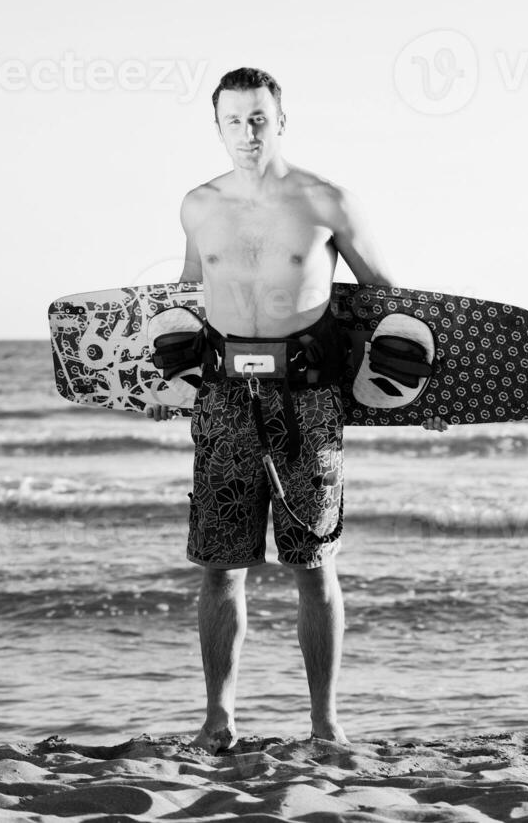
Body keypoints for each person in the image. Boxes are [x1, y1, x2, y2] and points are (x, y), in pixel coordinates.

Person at [146, 67, 447, 752]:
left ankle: (325, 723)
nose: (247, 133)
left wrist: (422, 394)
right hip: (224, 398)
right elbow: (189, 302)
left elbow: (387, 305)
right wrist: (168, 387)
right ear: (216, 127)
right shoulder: (197, 205)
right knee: (220, 566)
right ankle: (218, 718)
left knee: (314, 566)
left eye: (258, 119)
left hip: (308, 399)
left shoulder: (328, 201)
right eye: (233, 121)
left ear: (281, 121)